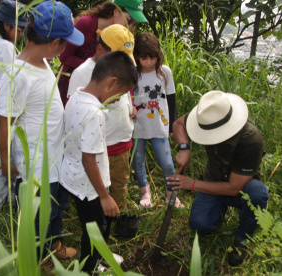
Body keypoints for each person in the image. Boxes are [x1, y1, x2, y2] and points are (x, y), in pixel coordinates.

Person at [0, 1, 84, 273]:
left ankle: (52, 245)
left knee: (55, 209)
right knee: (38, 216)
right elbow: (4, 119)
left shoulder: (41, 61)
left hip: (54, 159)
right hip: (35, 164)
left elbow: (0, 96)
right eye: (66, 43)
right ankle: (39, 257)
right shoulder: (20, 74)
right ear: (56, 43)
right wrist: (5, 160)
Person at [167, 90, 269, 266]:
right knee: (200, 224)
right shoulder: (207, 115)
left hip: (241, 186)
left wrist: (192, 185)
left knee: (258, 193)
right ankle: (218, 210)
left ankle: (243, 238)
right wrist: (184, 148)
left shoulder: (251, 139)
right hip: (214, 179)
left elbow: (233, 188)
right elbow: (178, 124)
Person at [60, 51, 138, 273]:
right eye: (121, 94)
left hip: (75, 177)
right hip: (89, 186)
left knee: (99, 222)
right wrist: (104, 196)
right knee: (96, 227)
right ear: (111, 83)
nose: (119, 99)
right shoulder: (94, 113)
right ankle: (88, 267)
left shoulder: (76, 96)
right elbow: (89, 160)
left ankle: (100, 255)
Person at [67, 24, 137, 214]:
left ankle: (118, 214)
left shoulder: (121, 75)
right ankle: (100, 214)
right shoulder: (82, 73)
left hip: (122, 139)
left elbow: (126, 92)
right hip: (97, 146)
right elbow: (75, 110)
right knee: (99, 189)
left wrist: (131, 108)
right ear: (100, 49)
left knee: (120, 181)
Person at [0, 0, 28, 216]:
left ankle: (10, 197)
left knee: (8, 158)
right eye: (20, 29)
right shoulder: (8, 48)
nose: (21, 33)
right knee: (7, 163)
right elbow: (6, 87)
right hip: (0, 109)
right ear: (8, 26)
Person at [58, 0, 147, 105]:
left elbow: (125, 66)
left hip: (104, 89)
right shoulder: (86, 23)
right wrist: (95, 67)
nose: (130, 26)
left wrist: (130, 102)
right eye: (129, 20)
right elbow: (64, 56)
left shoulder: (124, 34)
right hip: (73, 84)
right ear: (116, 12)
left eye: (134, 22)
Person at [131, 32, 183, 209]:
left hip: (159, 126)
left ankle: (171, 194)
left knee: (167, 163)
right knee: (138, 161)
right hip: (137, 127)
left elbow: (171, 98)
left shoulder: (164, 72)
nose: (147, 62)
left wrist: (173, 126)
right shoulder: (133, 73)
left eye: (151, 58)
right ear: (136, 57)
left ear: (158, 56)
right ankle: (145, 191)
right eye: (143, 58)